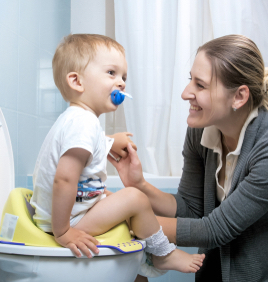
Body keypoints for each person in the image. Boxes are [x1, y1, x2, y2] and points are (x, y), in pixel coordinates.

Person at [110, 34, 268, 282]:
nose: (185, 93)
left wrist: (130, 220)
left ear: (239, 97)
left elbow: (214, 230)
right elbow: (191, 208)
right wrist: (139, 186)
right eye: (191, 80)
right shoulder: (201, 130)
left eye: (200, 85)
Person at [30, 34, 205, 274]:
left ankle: (140, 269)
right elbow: (64, 179)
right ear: (77, 81)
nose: (121, 82)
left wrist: (109, 142)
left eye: (124, 76)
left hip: (67, 213)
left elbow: (83, 150)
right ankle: (163, 254)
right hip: (65, 222)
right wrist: (63, 231)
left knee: (117, 202)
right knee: (134, 199)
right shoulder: (83, 124)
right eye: (111, 73)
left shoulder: (78, 120)